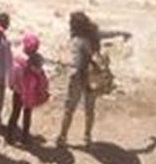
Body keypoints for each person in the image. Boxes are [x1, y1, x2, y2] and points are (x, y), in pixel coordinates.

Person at [56, 11, 101, 148]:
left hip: (78, 77)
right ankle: (87, 137)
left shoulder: (77, 41)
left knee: (69, 109)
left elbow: (77, 62)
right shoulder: (93, 38)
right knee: (89, 110)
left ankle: (62, 137)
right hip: (92, 78)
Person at [6, 33, 50, 146]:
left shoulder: (18, 58)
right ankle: (25, 137)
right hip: (31, 91)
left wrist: (11, 84)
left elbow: (13, 74)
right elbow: (41, 76)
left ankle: (9, 137)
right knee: (27, 113)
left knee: (15, 113)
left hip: (19, 90)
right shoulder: (37, 59)